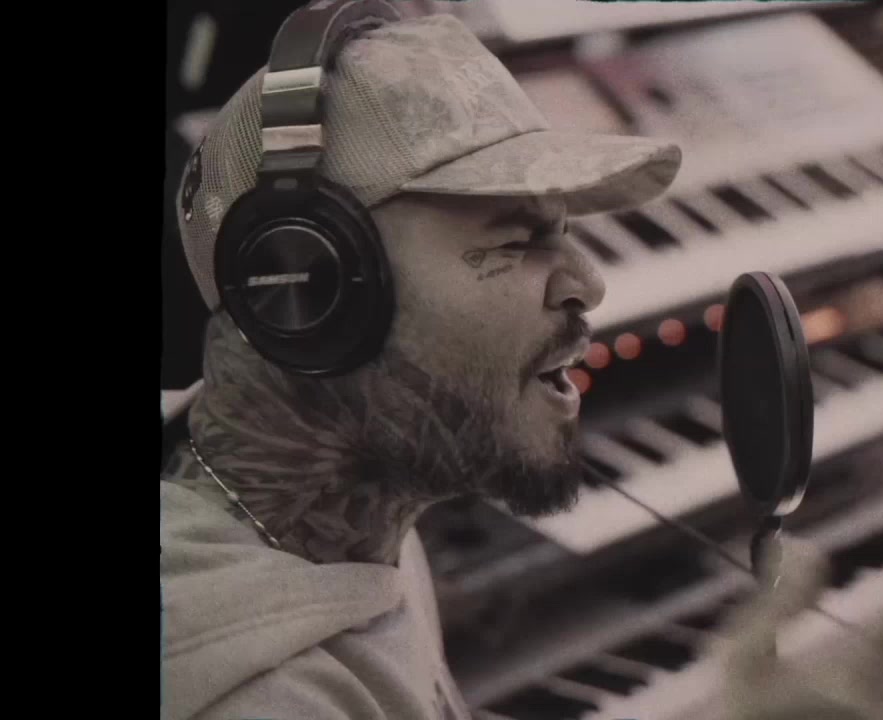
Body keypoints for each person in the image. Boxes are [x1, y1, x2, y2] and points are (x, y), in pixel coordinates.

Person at [159, 7, 680, 720]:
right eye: (516, 240)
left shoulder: (355, 525)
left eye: (561, 231)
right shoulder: (262, 701)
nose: (587, 283)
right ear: (309, 288)